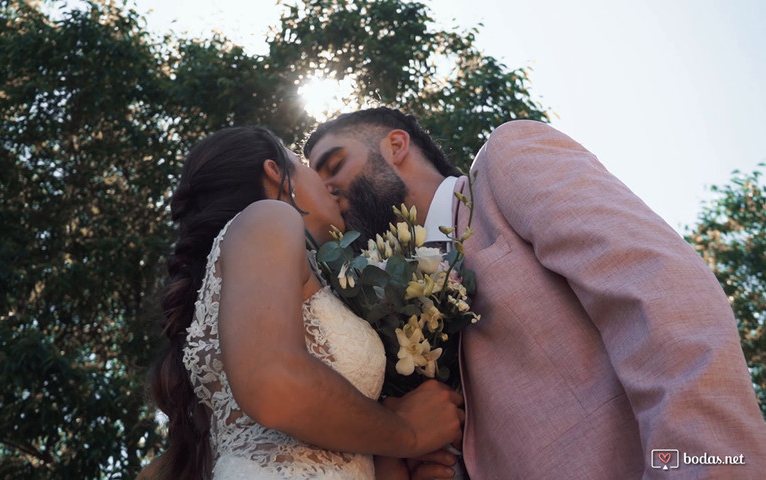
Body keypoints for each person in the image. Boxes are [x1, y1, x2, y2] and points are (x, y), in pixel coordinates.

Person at [303, 107, 766, 479]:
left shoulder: (506, 162)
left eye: (334, 163)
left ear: (396, 144)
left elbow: (662, 294)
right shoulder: (383, 303)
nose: (325, 186)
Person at [140, 126, 464, 480]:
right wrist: (407, 432)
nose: (328, 186)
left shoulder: (281, 279)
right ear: (275, 172)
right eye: (302, 162)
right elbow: (274, 384)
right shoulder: (268, 217)